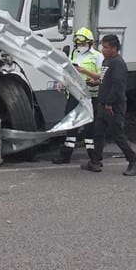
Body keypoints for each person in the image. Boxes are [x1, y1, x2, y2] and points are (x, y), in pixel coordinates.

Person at [51, 27, 103, 168]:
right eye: (78, 44)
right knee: (71, 124)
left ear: (90, 43)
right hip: (74, 95)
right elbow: (68, 70)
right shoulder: (74, 53)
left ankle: (94, 159)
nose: (81, 47)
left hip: (90, 96)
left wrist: (85, 71)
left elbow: (101, 76)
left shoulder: (97, 56)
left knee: (89, 127)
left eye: (83, 44)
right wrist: (62, 82)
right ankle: (66, 155)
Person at [94, 34, 136, 176]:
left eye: (106, 47)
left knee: (118, 135)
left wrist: (109, 103)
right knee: (98, 132)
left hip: (114, 106)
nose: (103, 50)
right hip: (103, 104)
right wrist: (96, 83)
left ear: (114, 48)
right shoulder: (106, 61)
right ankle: (95, 161)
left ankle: (134, 162)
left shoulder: (118, 63)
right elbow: (105, 80)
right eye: (103, 46)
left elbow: (118, 85)